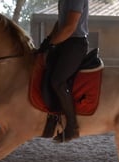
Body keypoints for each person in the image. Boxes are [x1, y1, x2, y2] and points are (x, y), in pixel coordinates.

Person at [39, 0, 89, 142]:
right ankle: (52, 118)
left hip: (75, 44)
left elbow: (69, 27)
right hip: (64, 42)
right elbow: (61, 22)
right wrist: (49, 39)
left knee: (58, 81)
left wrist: (50, 43)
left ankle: (72, 127)